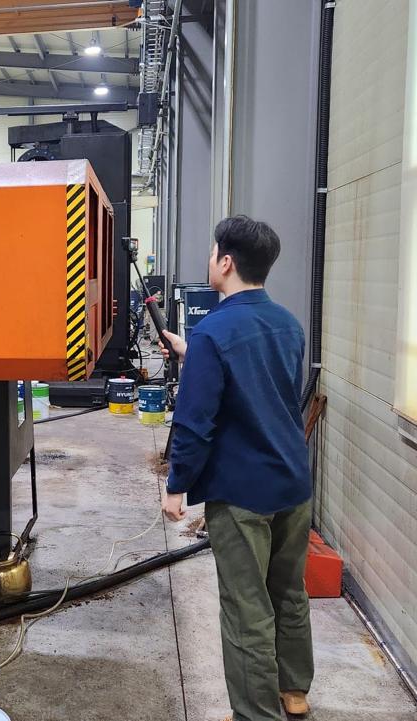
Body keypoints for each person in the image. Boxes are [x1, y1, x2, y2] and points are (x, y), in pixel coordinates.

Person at [159, 216, 313, 721]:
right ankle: (294, 691)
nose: (209, 260)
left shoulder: (213, 332)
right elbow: (266, 384)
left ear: (226, 262)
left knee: (246, 609)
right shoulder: (288, 324)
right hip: (293, 481)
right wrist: (193, 353)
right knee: (288, 591)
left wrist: (177, 484)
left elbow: (195, 421)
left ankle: (254, 714)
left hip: (242, 493)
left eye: (212, 252)